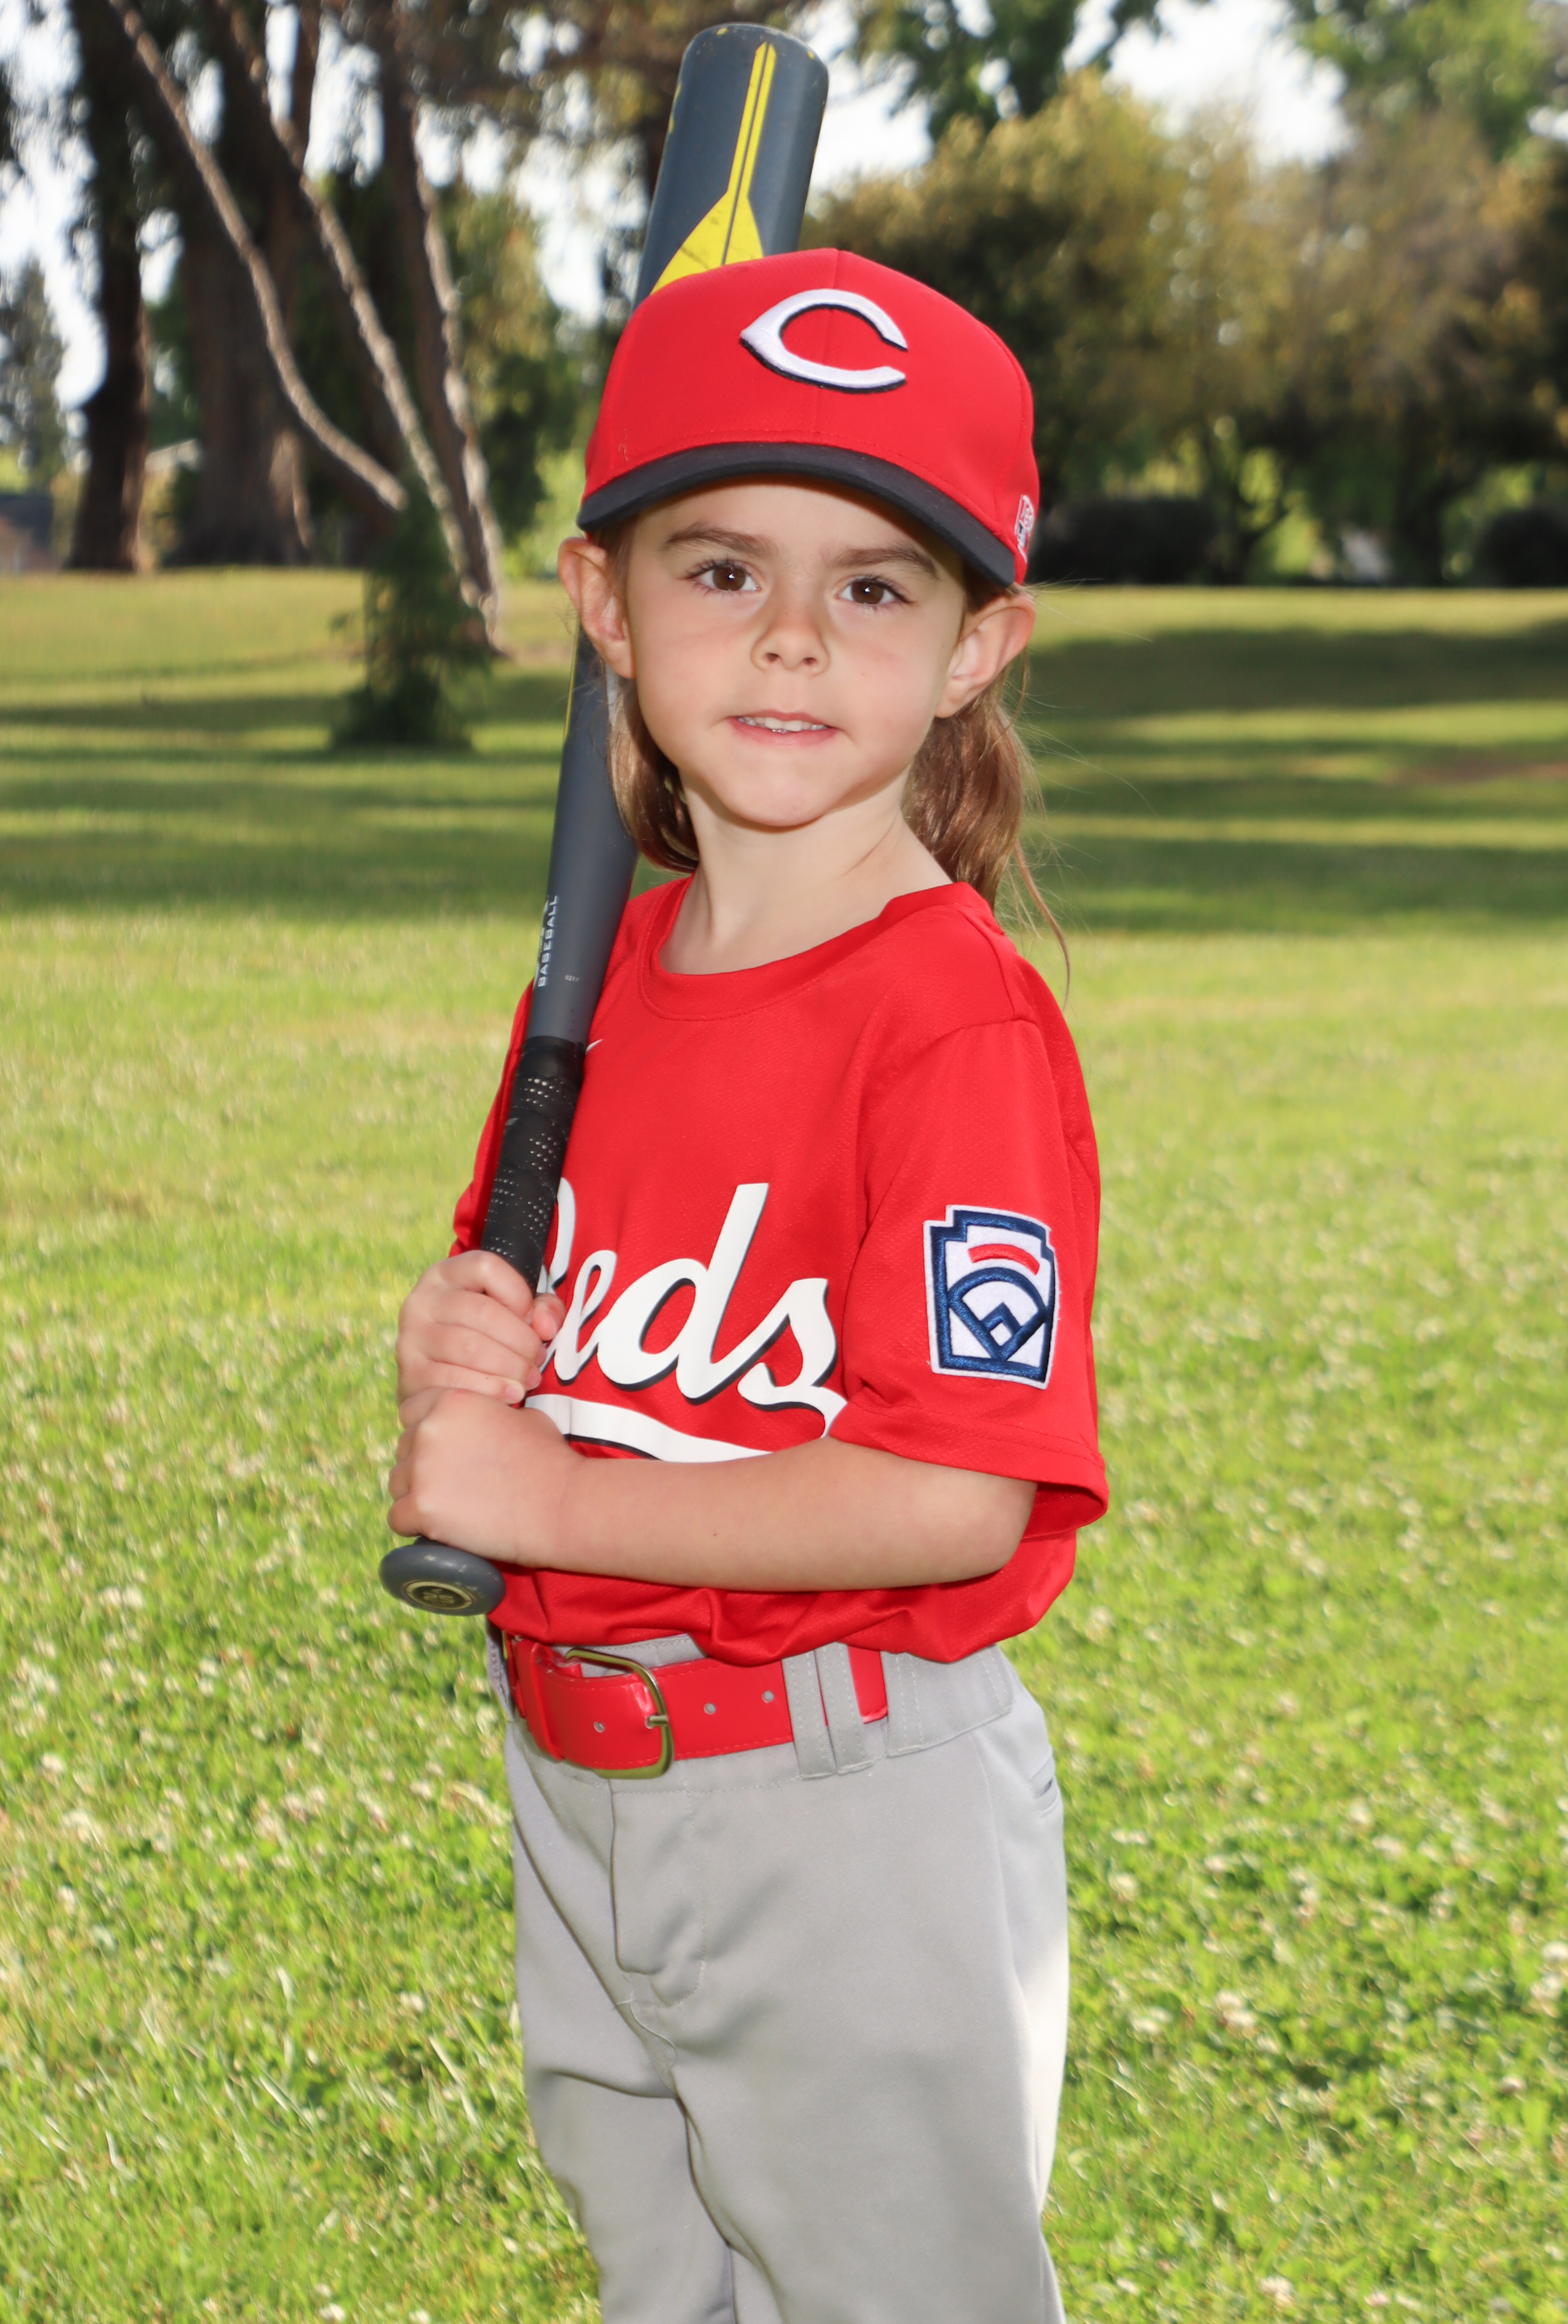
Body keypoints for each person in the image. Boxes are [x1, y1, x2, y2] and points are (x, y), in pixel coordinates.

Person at [388, 250, 1108, 2324]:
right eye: (720, 567)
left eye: (874, 584)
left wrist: (545, 1495)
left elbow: (949, 1487)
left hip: (843, 1809)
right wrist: (458, 1348)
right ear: (603, 603)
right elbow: (541, 1340)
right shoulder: (600, 982)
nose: (792, 633)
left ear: (976, 645)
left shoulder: (949, 1022)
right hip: (582, 1786)